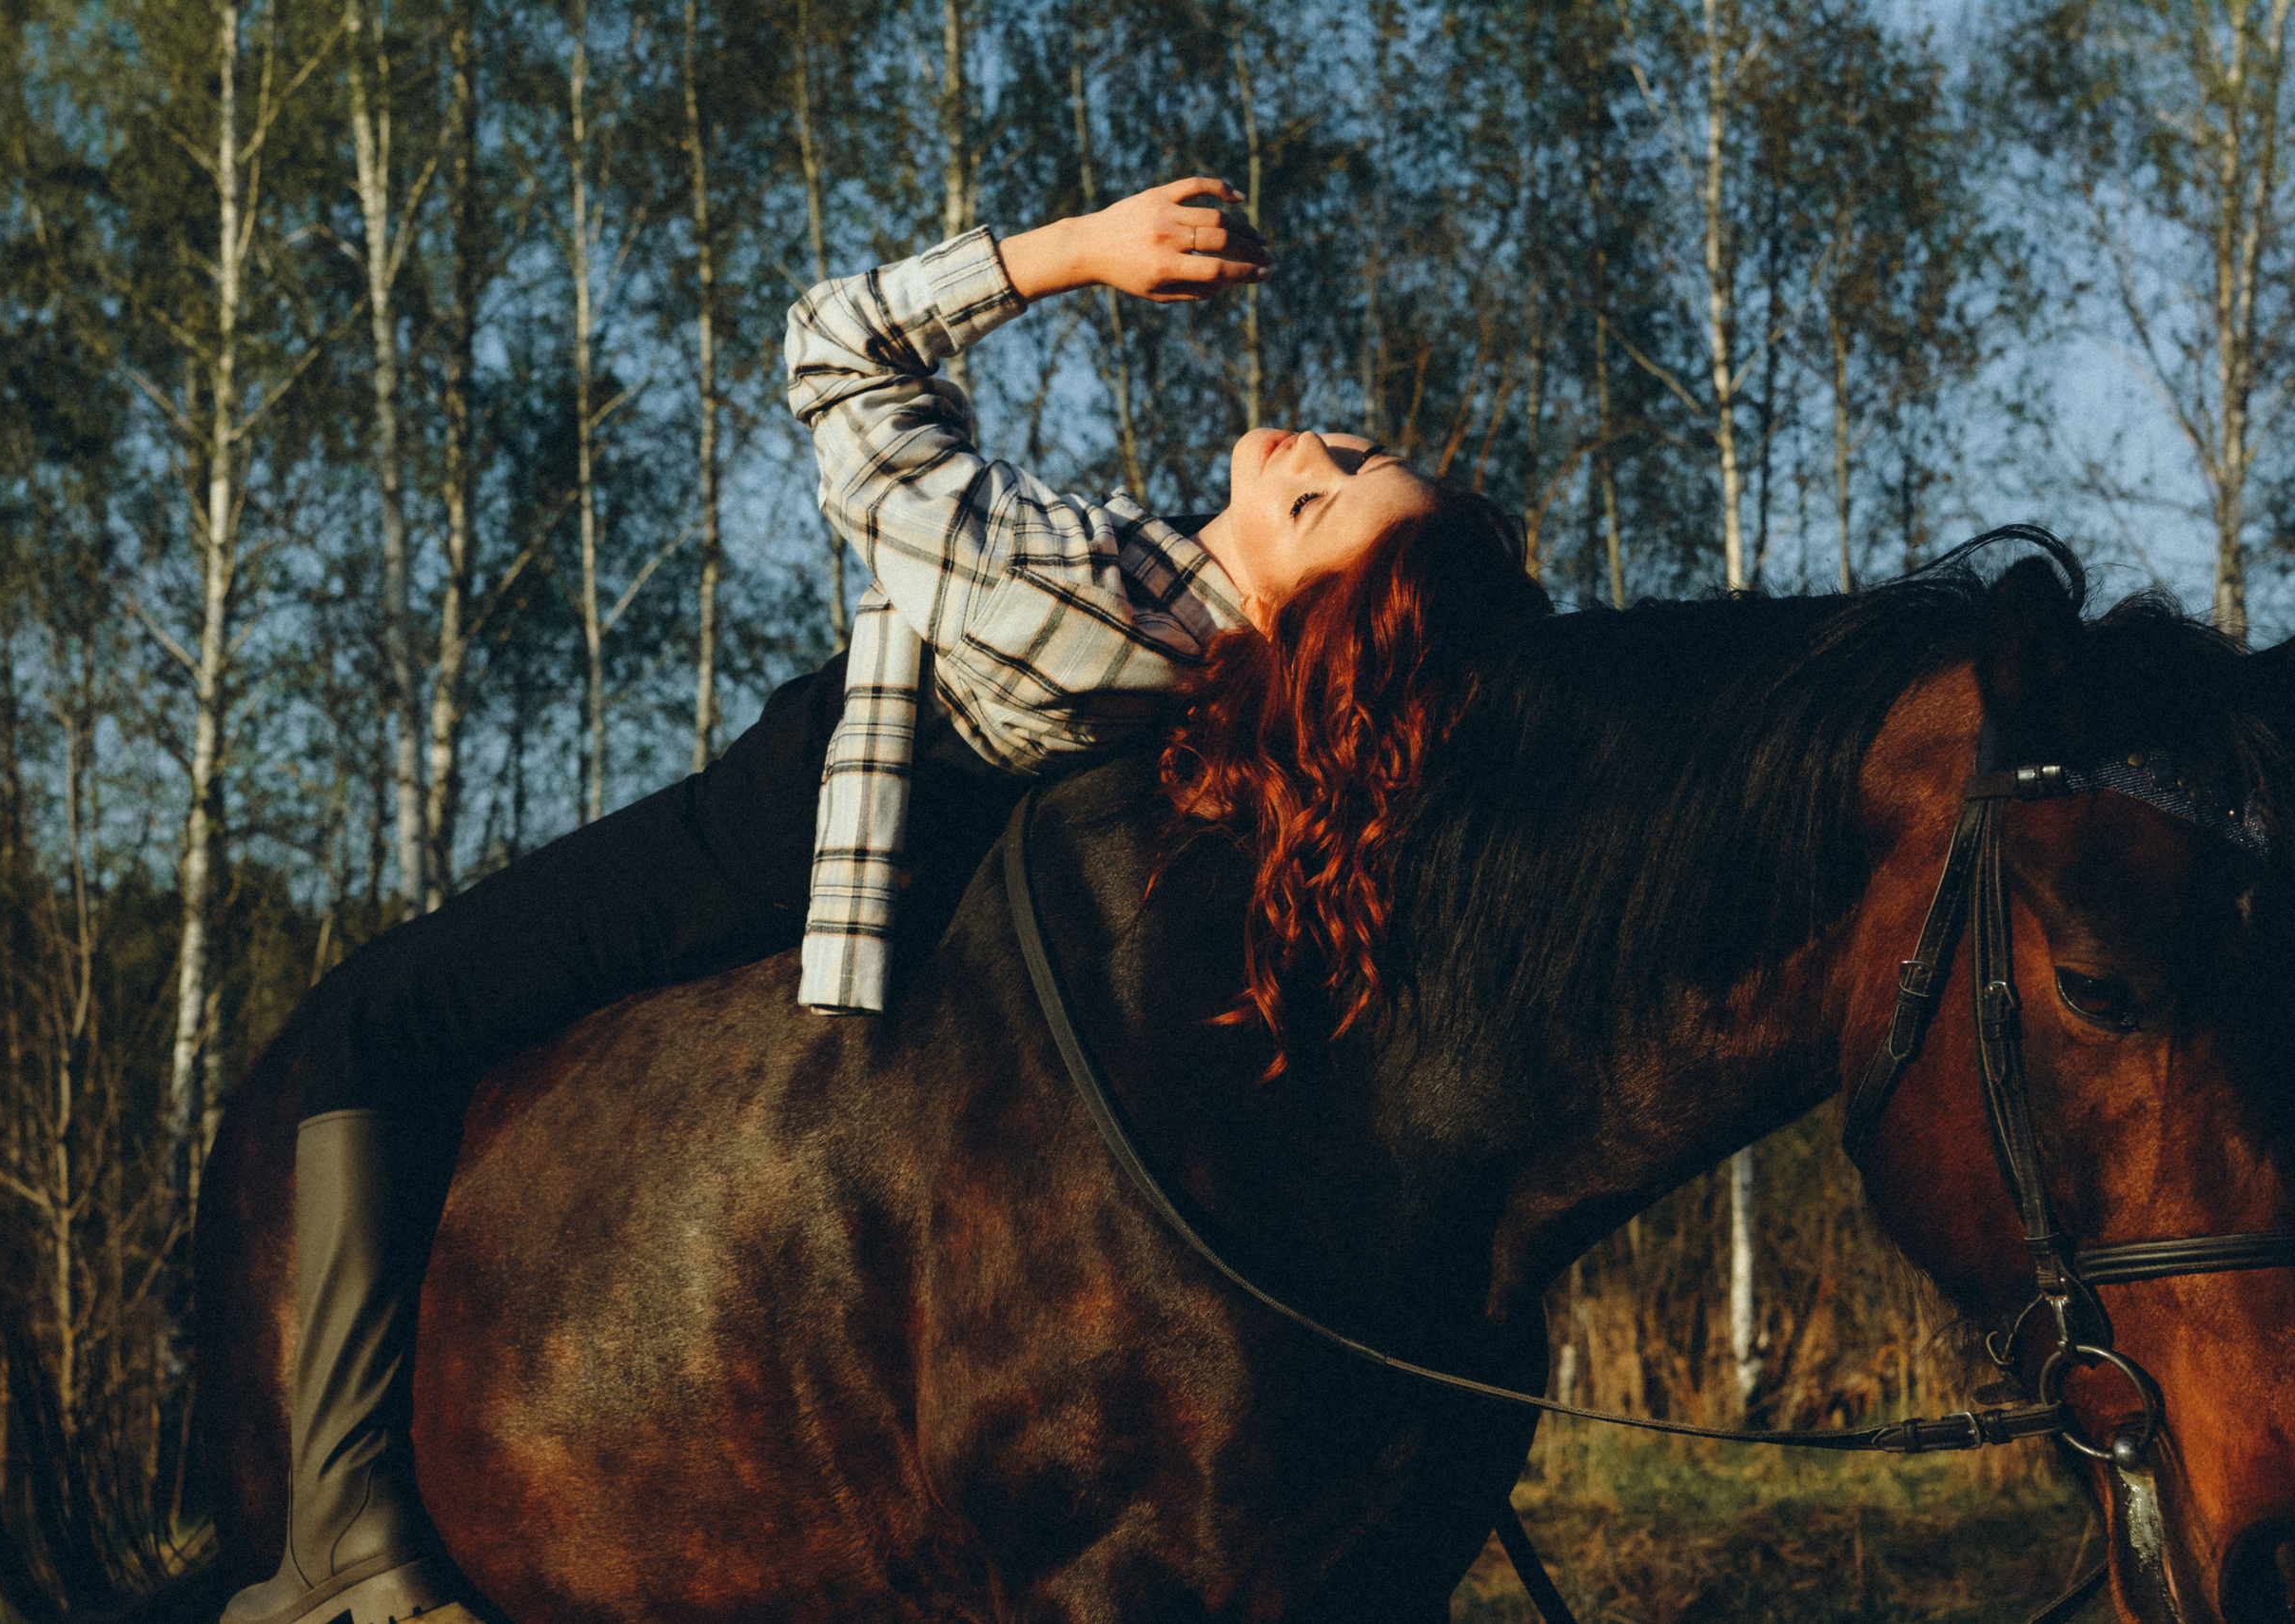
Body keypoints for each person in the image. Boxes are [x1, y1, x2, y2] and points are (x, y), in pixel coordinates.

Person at [220, 177, 1544, 1624]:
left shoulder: (1089, 605)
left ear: (1307, 620)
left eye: (1330, 494)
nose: (1328, 445)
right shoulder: (1184, 659)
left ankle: (337, 1530)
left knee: (373, 1018)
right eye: (1357, 451)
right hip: (881, 858)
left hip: (761, 837)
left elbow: (834, 355)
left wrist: (1073, 255)